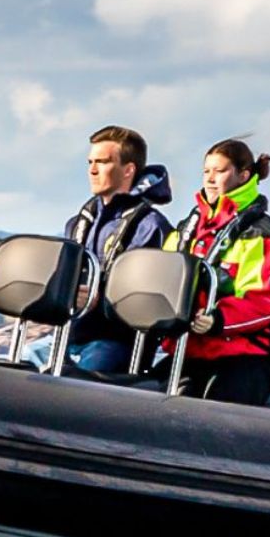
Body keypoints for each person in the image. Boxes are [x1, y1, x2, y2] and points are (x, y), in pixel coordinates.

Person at [166, 138, 270, 405]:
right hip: (190, 349)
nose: (210, 179)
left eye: (220, 171)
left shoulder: (263, 233)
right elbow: (163, 274)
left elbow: (265, 300)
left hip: (245, 354)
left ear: (243, 175)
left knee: (216, 404)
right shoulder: (188, 227)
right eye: (206, 171)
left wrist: (218, 319)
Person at [62, 125, 175, 373]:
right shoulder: (78, 223)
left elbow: (152, 299)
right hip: (69, 336)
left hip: (116, 344)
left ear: (128, 170)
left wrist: (98, 300)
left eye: (102, 162)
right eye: (90, 162)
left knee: (77, 381)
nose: (92, 170)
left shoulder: (152, 227)